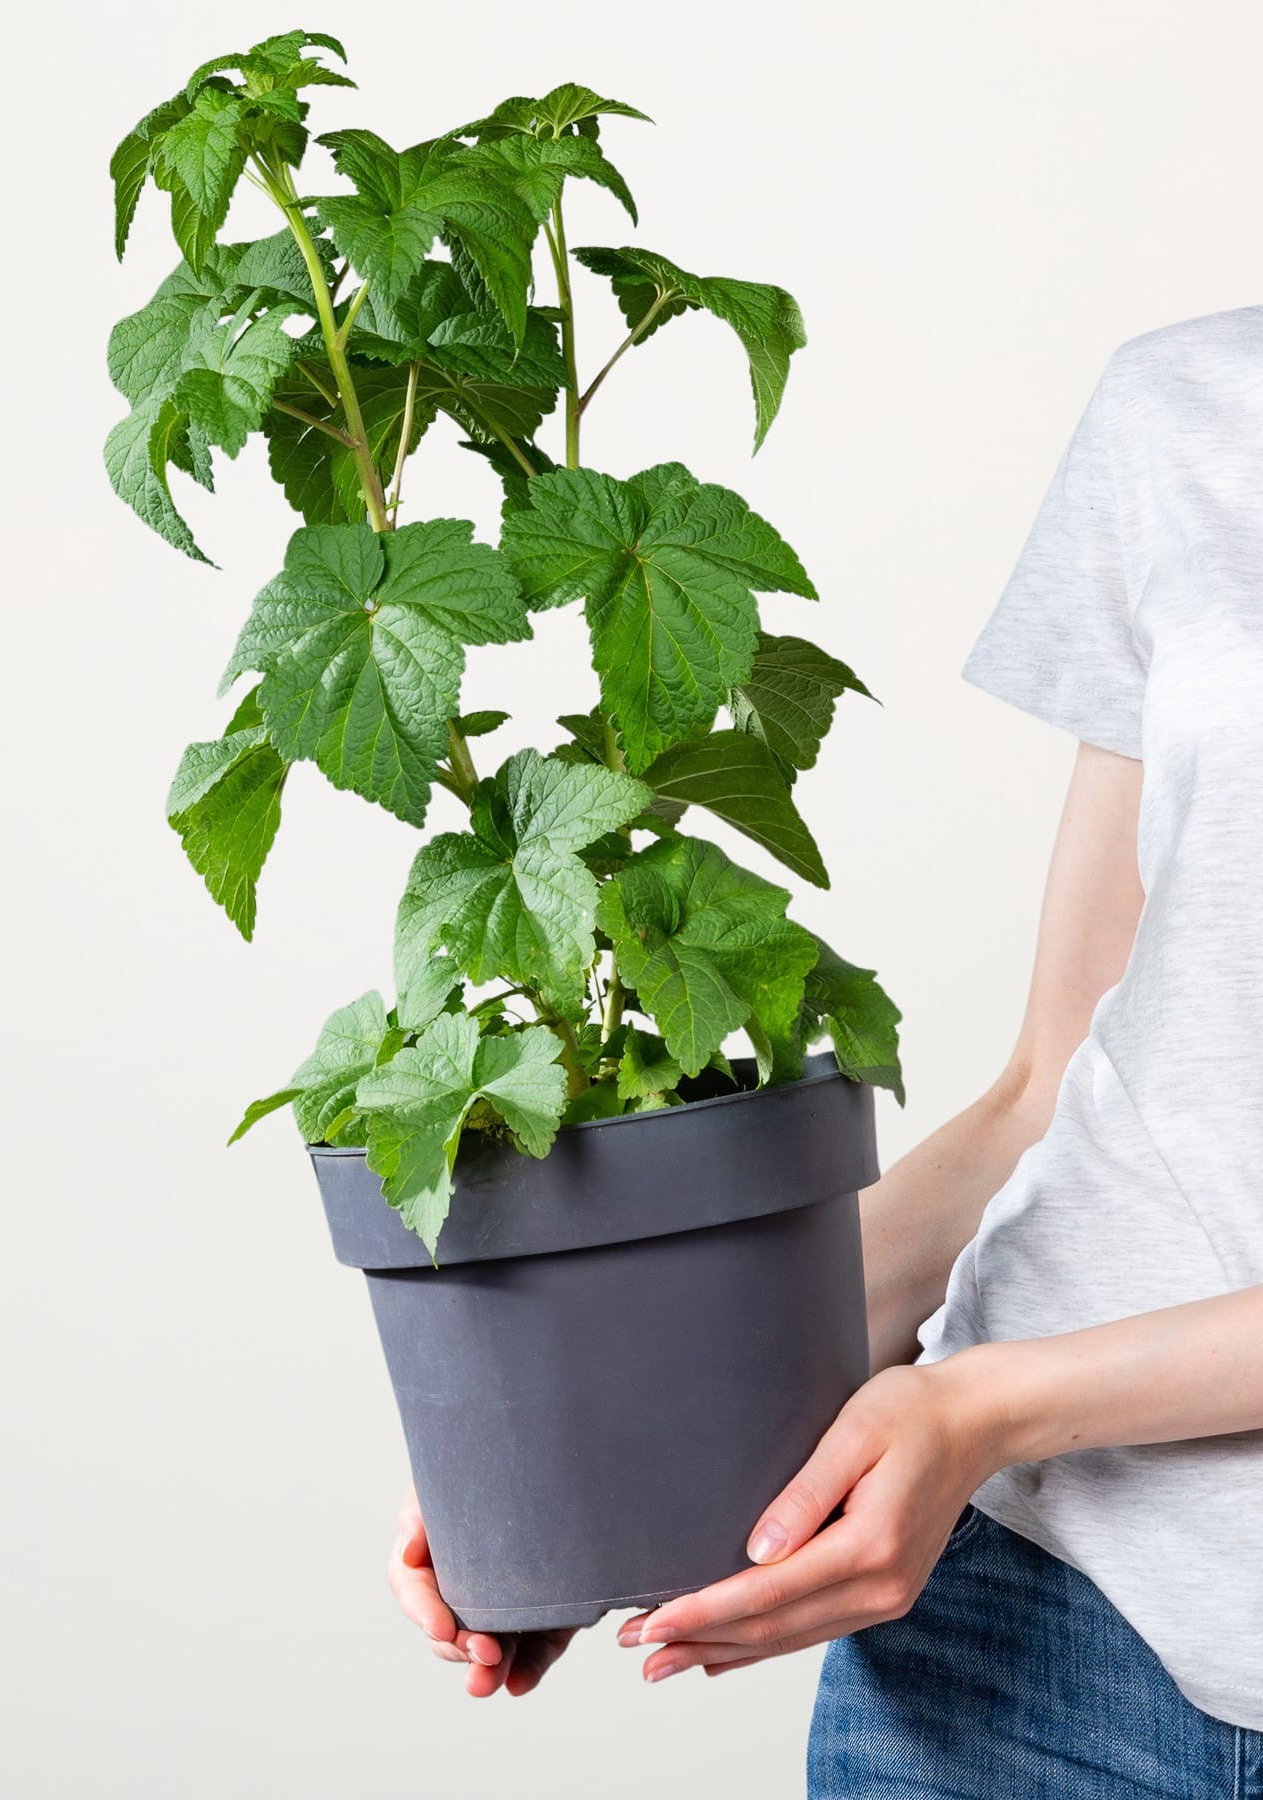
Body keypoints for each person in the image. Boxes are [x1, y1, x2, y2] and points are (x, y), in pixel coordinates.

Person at [389, 304, 1263, 1796]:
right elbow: (1048, 1089)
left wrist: (979, 1409)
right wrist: (607, 1423)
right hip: (1029, 1625)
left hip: (996, 1440)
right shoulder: (1186, 407)